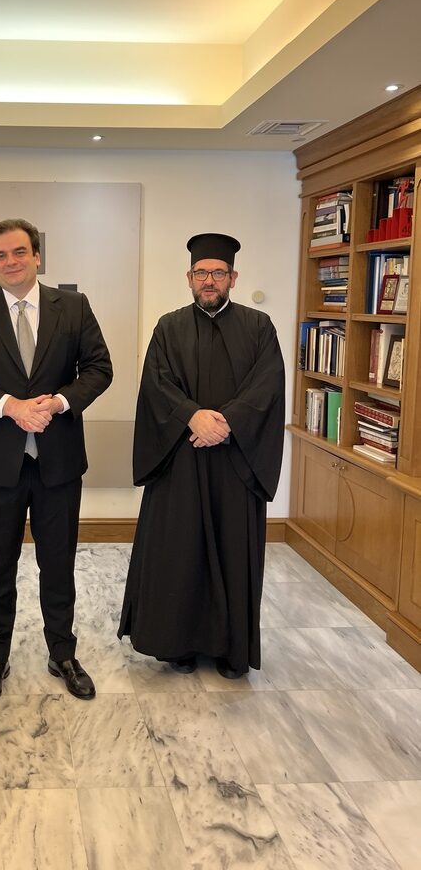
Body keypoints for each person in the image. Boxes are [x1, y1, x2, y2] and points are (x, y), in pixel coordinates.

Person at [0, 218, 112, 704]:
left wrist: (58, 402)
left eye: (19, 252)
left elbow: (99, 368)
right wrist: (9, 406)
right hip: (0, 464)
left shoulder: (73, 307)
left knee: (58, 563)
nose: (10, 261)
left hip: (59, 460)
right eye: (0, 255)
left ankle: (63, 654)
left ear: (37, 256)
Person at [118, 233, 285, 678]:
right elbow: (156, 384)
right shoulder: (168, 327)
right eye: (201, 273)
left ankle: (231, 652)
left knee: (233, 552)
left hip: (235, 463)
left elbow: (267, 385)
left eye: (218, 273)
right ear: (188, 278)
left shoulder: (259, 326)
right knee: (179, 554)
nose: (209, 280)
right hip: (181, 459)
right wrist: (192, 417)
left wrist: (226, 423)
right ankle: (180, 645)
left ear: (233, 277)